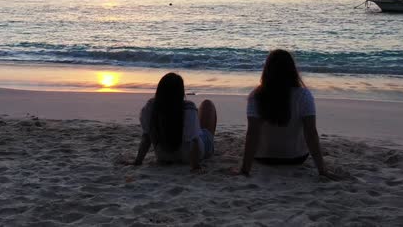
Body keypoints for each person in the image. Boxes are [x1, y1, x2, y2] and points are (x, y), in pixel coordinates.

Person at [236, 49, 339, 180]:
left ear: (267, 70)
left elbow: (252, 134)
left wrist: (245, 170)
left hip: (263, 157)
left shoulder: (256, 95)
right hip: (296, 158)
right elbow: (311, 134)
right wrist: (322, 170)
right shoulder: (303, 95)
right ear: (292, 70)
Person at [132, 72, 217, 173]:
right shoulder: (188, 108)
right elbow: (194, 141)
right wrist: (196, 167)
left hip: (162, 156)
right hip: (187, 156)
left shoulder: (150, 107)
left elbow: (146, 137)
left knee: (196, 128)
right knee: (207, 105)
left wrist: (138, 161)